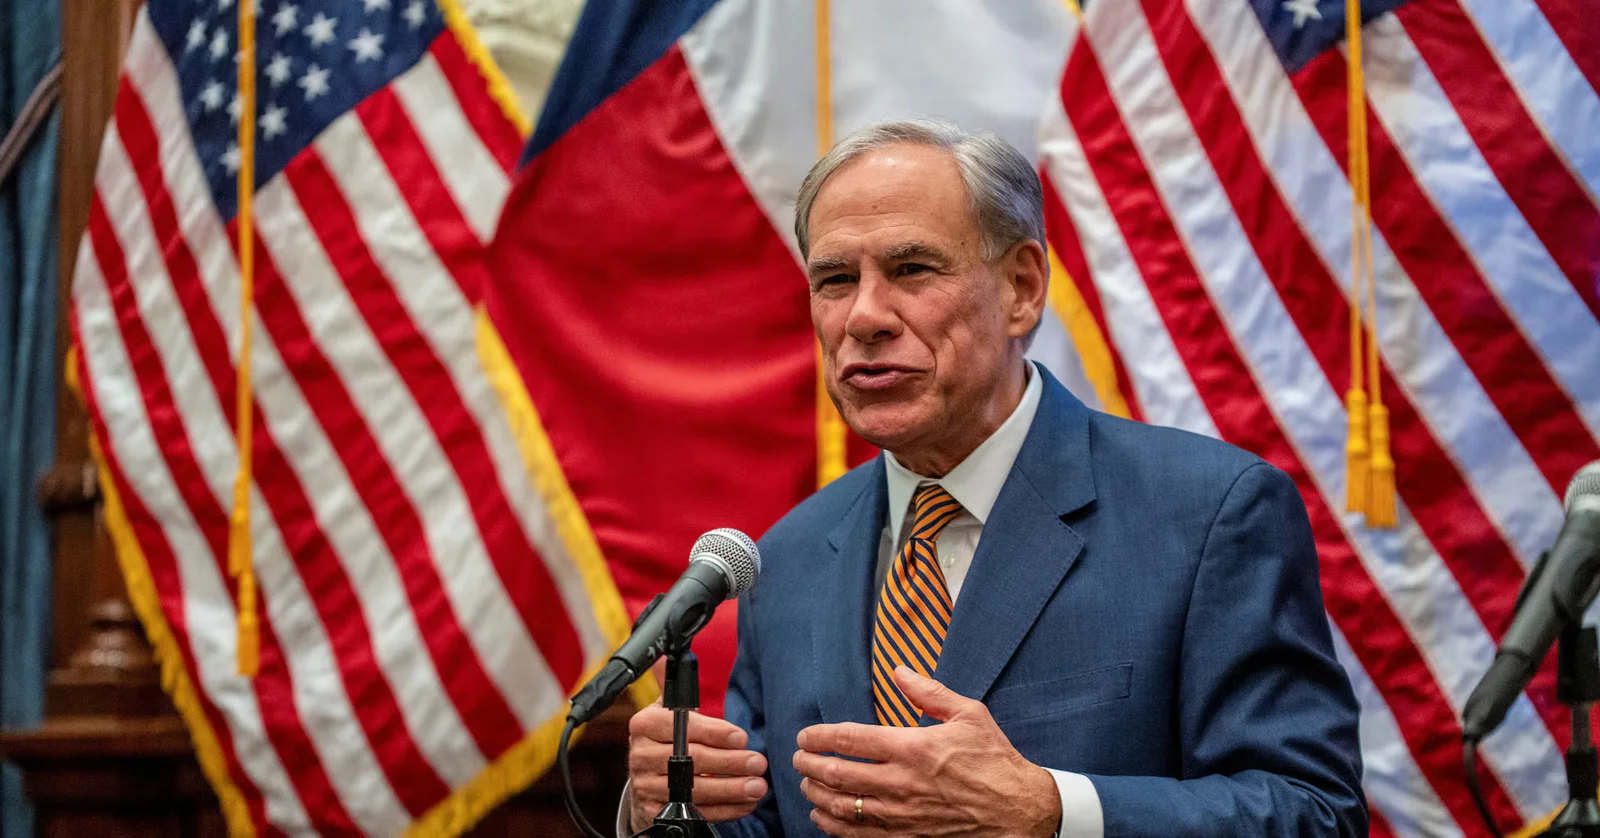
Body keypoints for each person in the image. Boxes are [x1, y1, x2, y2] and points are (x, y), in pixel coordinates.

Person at [622, 119, 1366, 837]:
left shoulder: (1208, 514)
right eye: (836, 279)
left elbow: (1313, 812)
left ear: (1022, 288)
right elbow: (776, 820)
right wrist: (669, 808)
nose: (865, 317)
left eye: (912, 270)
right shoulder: (787, 557)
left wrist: (1051, 810)